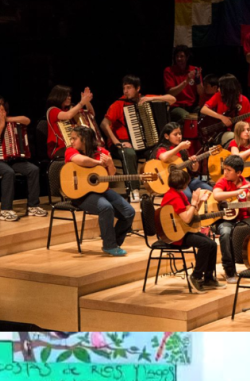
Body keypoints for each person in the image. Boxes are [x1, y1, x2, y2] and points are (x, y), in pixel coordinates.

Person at [63, 126, 136, 256]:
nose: (71, 141)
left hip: (101, 190)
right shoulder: (70, 150)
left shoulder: (103, 152)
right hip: (80, 194)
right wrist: (99, 163)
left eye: (74, 138)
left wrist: (110, 164)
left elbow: (111, 176)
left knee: (129, 212)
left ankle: (114, 242)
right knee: (106, 207)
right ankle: (109, 245)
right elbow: (82, 160)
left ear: (84, 140)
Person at [101, 76, 175, 202]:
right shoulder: (119, 104)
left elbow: (172, 99)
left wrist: (152, 98)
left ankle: (158, 187)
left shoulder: (146, 99)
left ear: (138, 88)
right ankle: (133, 190)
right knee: (129, 153)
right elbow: (104, 124)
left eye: (129, 88)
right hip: (122, 144)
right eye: (124, 88)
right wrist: (118, 143)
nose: (125, 91)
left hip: (143, 144)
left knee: (158, 151)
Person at [160, 168, 221, 293]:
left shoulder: (178, 193)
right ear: (183, 184)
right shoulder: (173, 197)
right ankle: (196, 276)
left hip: (183, 230)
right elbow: (187, 218)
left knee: (213, 244)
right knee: (205, 244)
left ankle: (208, 278)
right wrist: (194, 202)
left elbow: (191, 213)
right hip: (175, 235)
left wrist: (199, 201)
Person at [211, 154, 250, 283]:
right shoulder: (223, 181)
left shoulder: (248, 185)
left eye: (228, 170)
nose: (225, 172)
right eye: (224, 169)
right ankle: (229, 269)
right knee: (225, 234)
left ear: (238, 172)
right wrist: (237, 192)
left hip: (244, 217)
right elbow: (216, 195)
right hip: (226, 219)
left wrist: (249, 198)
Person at [155, 121, 213, 198]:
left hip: (187, 180)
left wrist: (194, 163)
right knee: (188, 196)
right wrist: (179, 147)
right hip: (173, 182)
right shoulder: (162, 148)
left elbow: (194, 170)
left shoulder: (183, 150)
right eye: (175, 134)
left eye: (180, 134)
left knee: (210, 190)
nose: (179, 137)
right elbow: (164, 157)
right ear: (166, 136)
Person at [200, 74, 250, 147]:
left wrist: (241, 131)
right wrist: (222, 117)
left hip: (240, 132)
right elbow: (203, 109)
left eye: (220, 87)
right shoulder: (218, 96)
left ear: (228, 88)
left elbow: (248, 123)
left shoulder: (244, 100)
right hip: (221, 132)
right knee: (232, 138)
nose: (218, 89)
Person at [45, 85, 96, 159]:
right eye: (66, 95)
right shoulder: (52, 110)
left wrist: (87, 102)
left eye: (69, 95)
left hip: (75, 146)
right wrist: (81, 103)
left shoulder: (71, 109)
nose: (69, 97)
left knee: (95, 150)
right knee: (83, 153)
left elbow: (90, 114)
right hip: (59, 148)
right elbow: (68, 116)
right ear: (58, 96)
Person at [164, 45, 202, 122]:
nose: (179, 59)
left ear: (187, 57)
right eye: (177, 56)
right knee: (188, 118)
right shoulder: (169, 70)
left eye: (182, 56)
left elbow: (201, 92)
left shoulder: (194, 70)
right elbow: (170, 93)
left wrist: (198, 80)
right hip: (176, 106)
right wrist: (186, 81)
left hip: (192, 106)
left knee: (205, 115)